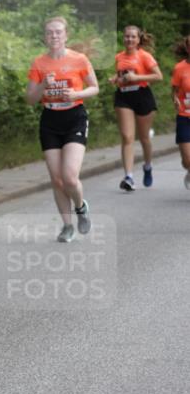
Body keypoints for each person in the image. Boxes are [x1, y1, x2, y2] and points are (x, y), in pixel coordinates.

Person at [26, 16, 99, 242]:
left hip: (74, 117)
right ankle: (67, 226)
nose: (54, 36)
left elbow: (94, 88)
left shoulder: (79, 59)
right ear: (44, 37)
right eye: (50, 33)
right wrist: (42, 85)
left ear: (66, 35)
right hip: (50, 120)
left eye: (58, 32)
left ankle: (81, 207)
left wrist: (77, 94)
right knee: (57, 180)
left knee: (69, 177)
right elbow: (30, 99)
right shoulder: (39, 63)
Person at [109, 25, 163, 190]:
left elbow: (158, 76)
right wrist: (115, 79)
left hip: (142, 96)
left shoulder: (145, 56)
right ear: (123, 38)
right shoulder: (119, 57)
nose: (129, 39)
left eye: (133, 37)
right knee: (127, 137)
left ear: (138, 40)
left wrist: (136, 77)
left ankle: (147, 166)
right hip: (123, 97)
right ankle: (129, 177)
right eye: (127, 36)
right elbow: (122, 75)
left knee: (144, 138)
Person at [170, 35, 190, 190]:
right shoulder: (179, 68)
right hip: (184, 117)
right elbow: (174, 91)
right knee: (186, 160)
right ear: (187, 49)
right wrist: (175, 99)